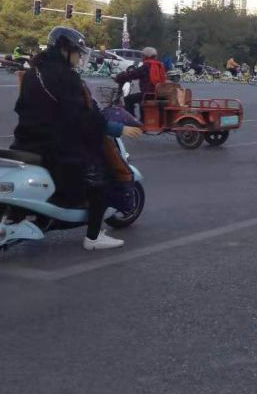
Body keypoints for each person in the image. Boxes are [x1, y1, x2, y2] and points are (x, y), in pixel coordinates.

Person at [11, 27, 143, 250]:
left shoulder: (34, 72)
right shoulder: (66, 77)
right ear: (65, 50)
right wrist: (117, 129)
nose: (79, 58)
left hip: (25, 140)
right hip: (56, 146)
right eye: (77, 53)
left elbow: (21, 107)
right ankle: (93, 237)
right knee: (101, 177)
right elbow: (82, 117)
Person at [114, 46, 167, 120]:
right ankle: (142, 119)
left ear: (146, 56)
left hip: (148, 94)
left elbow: (133, 74)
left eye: (143, 55)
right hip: (159, 93)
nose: (142, 57)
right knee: (138, 97)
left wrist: (120, 76)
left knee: (128, 99)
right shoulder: (159, 65)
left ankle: (132, 120)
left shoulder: (146, 66)